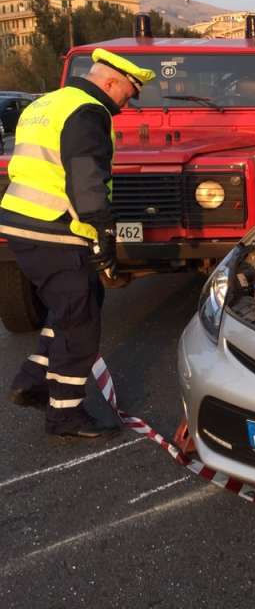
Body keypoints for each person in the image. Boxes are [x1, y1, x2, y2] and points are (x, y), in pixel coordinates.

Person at [0, 48, 155, 439]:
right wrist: (103, 236)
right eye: (129, 91)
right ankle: (65, 415)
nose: (129, 101)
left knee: (70, 307)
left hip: (22, 221)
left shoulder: (49, 102)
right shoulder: (89, 111)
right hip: (53, 228)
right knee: (81, 320)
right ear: (109, 82)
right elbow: (86, 181)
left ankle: (32, 378)